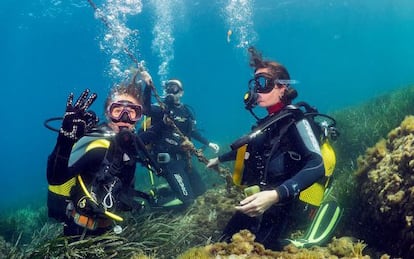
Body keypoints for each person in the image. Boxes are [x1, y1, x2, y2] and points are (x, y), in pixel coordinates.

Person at [207, 46, 326, 250]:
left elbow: (317, 164)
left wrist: (276, 195)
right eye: (255, 84)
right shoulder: (267, 124)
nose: (257, 91)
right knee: (222, 244)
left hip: (283, 204)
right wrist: (219, 159)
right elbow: (248, 148)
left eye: (263, 83)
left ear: (282, 87)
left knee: (259, 250)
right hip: (259, 199)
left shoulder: (296, 120)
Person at [46, 77, 159, 237]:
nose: (125, 119)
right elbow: (55, 178)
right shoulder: (98, 146)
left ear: (139, 117)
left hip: (106, 230)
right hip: (79, 233)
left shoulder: (132, 147)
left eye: (132, 112)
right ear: (108, 113)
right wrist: (64, 141)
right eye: (118, 111)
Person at [140, 75, 220, 209]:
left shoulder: (186, 112)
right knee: (188, 201)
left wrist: (208, 143)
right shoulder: (160, 108)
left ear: (181, 92)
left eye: (174, 88)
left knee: (201, 193)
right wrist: (148, 87)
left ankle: (164, 191)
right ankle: (153, 204)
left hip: (185, 160)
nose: (171, 91)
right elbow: (146, 109)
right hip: (170, 162)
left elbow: (192, 132)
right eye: (168, 88)